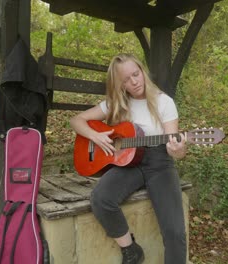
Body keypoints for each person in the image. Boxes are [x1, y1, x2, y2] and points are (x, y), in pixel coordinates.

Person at [70, 53, 187, 264]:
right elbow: (77, 120)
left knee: (174, 232)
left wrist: (178, 149)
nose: (134, 82)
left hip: (159, 163)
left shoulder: (164, 102)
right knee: (101, 198)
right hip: (127, 162)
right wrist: (94, 135)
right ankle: (131, 250)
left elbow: (175, 149)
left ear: (142, 72)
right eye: (126, 79)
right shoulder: (115, 103)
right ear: (119, 84)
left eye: (136, 74)